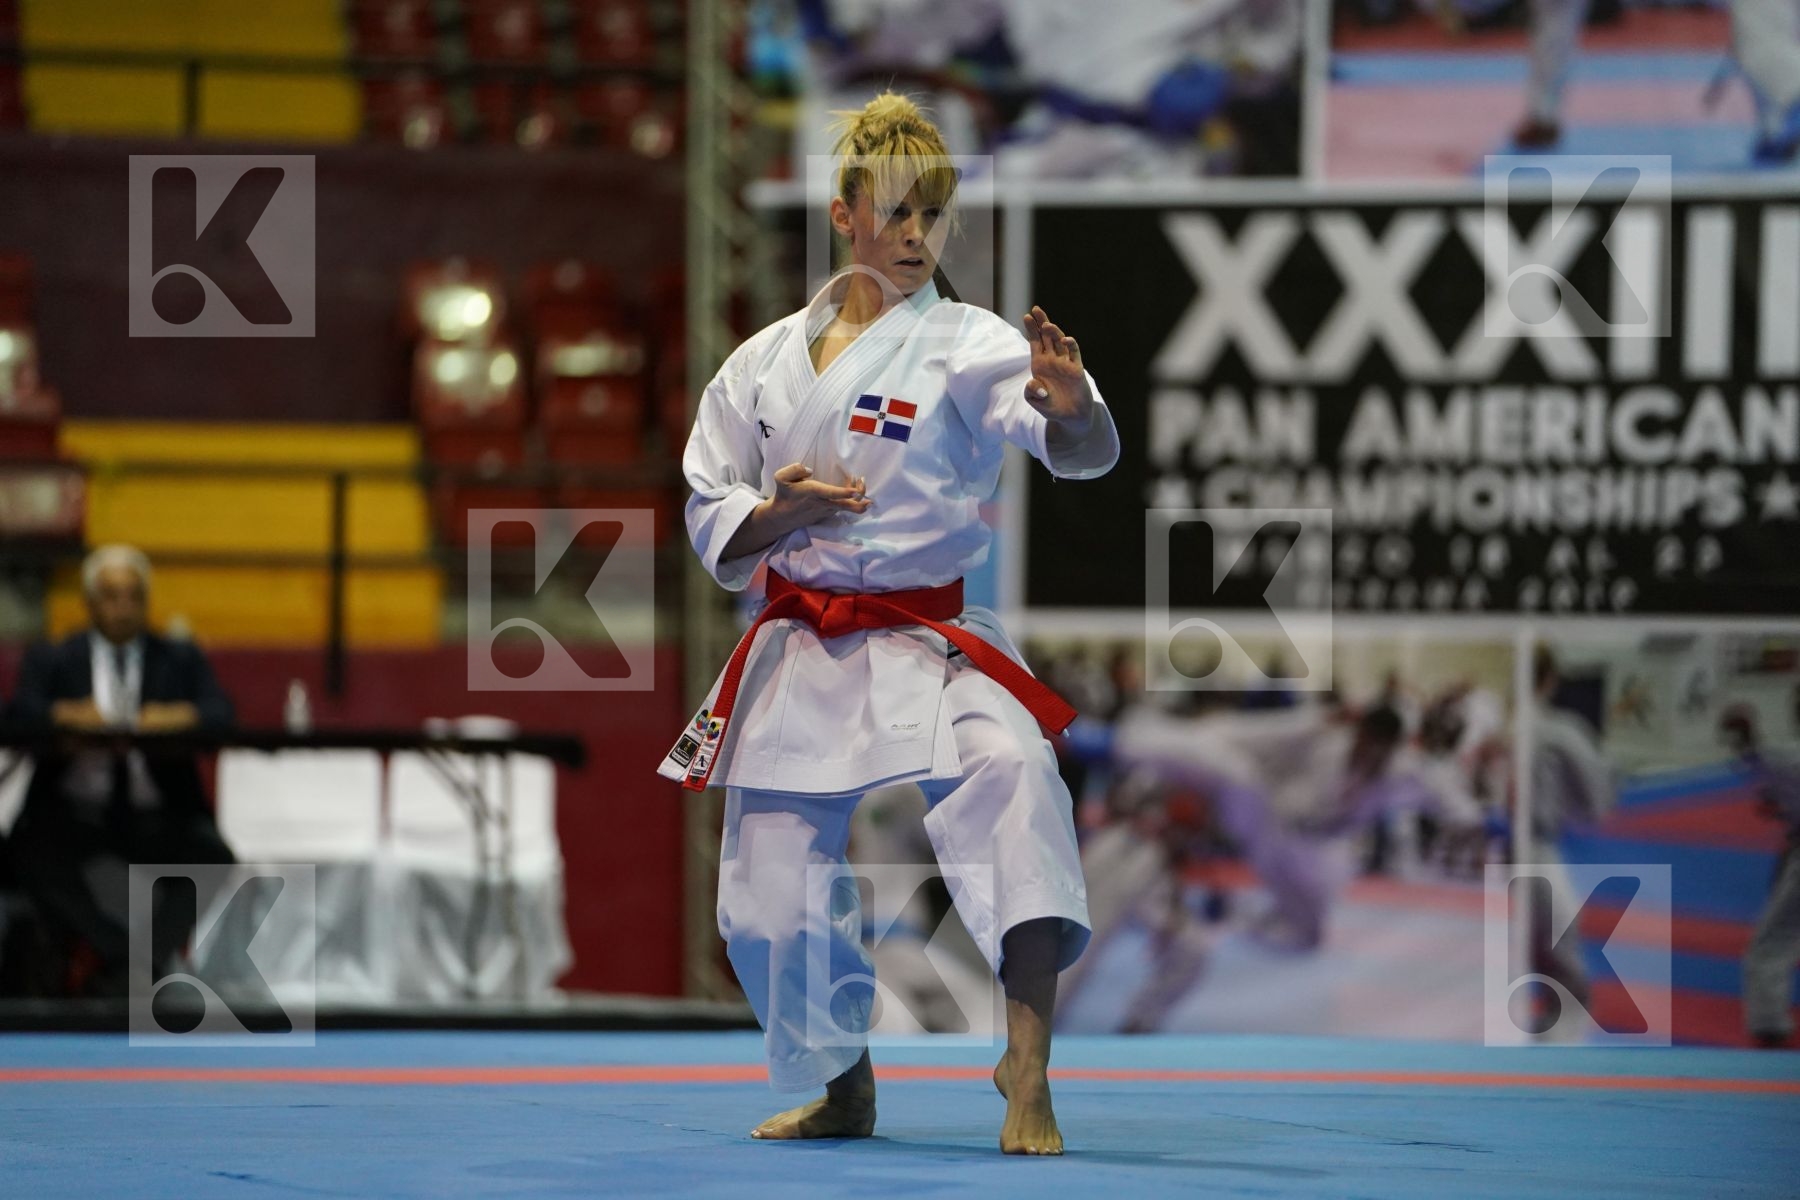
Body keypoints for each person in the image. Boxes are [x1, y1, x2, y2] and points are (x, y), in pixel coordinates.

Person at [656, 92, 1118, 1154]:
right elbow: (705, 500)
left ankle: (1028, 1066)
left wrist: (1072, 407)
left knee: (1016, 774)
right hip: (803, 641)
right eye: (899, 214)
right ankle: (842, 1084)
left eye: (936, 217)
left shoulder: (970, 342)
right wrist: (784, 512)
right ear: (845, 213)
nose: (917, 237)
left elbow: (1072, 445)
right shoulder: (762, 362)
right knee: (770, 909)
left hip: (928, 636)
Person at [6, 544, 236, 995]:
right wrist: (62, 716)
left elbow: (222, 715)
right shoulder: (55, 658)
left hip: (157, 813)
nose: (123, 607)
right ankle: (117, 959)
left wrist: (179, 717)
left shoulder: (178, 657)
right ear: (90, 602)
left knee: (213, 857)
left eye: (134, 596)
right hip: (73, 812)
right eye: (111, 596)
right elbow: (17, 716)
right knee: (26, 854)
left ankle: (139, 966)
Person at [1720, 703, 1800, 1047]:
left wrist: (1745, 739)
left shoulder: (1786, 758)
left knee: (1769, 947)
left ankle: (1770, 1030)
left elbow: (1756, 755)